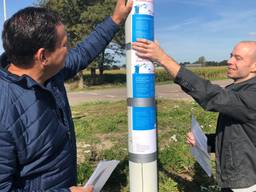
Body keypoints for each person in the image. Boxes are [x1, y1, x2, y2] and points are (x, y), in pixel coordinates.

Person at [0, 0, 132, 191]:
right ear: (43, 56)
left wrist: (116, 19)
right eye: (64, 45)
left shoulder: (51, 73)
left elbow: (84, 52)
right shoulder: (4, 109)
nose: (68, 50)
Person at [132, 39, 256, 192]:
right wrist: (205, 142)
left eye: (238, 58)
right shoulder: (238, 89)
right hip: (237, 179)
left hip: (247, 184)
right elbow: (240, 136)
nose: (229, 61)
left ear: (254, 66)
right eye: (231, 56)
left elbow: (213, 96)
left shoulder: (252, 95)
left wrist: (163, 59)